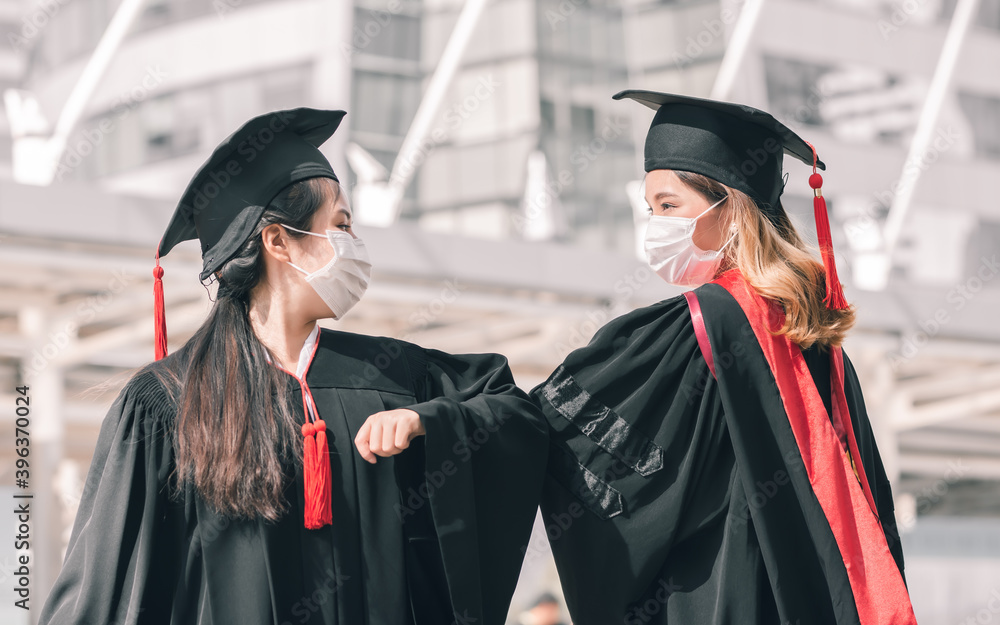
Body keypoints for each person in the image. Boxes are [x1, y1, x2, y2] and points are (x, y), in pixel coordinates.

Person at [38, 107, 548, 625]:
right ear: (279, 241)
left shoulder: (396, 377)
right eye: (341, 225)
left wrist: (430, 422)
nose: (354, 245)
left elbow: (518, 416)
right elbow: (102, 587)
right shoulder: (167, 402)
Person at [530, 90, 917, 625]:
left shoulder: (700, 326)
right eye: (651, 209)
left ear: (729, 207)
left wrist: (448, 416)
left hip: (719, 597)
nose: (654, 225)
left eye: (669, 206)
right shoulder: (815, 341)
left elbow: (547, 425)